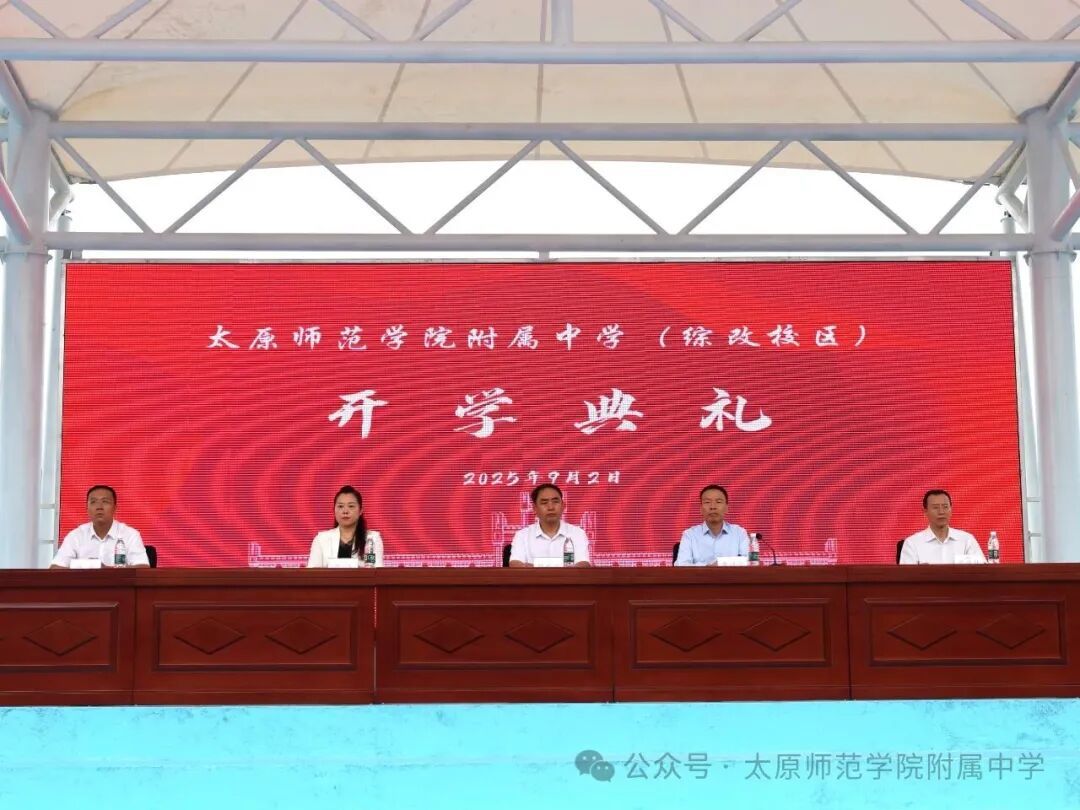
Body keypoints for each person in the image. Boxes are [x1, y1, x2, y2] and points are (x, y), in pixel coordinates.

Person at [50, 485, 150, 568]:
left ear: (115, 507)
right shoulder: (76, 536)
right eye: (93, 502)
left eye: (105, 501)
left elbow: (142, 568)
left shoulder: (130, 535)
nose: (99, 507)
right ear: (87, 508)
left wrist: (105, 571)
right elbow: (55, 568)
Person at [509, 484, 591, 567]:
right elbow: (515, 564)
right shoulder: (522, 535)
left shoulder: (577, 533)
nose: (551, 507)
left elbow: (583, 564)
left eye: (555, 502)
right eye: (544, 503)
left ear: (563, 506)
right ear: (534, 508)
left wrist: (535, 567)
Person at [899, 489, 985, 564]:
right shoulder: (912, 543)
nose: (941, 512)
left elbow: (982, 571)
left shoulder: (966, 540)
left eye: (945, 507)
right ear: (925, 511)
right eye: (935, 507)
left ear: (951, 509)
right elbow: (906, 575)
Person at [307, 485, 384, 567]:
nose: (345, 511)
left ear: (361, 510)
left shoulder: (372, 539)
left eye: (351, 506)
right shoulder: (321, 539)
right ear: (334, 510)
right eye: (340, 506)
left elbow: (375, 571)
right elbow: (312, 572)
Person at [675, 484, 751, 566]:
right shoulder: (690, 535)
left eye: (718, 502)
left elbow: (749, 561)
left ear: (726, 508)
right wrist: (708, 568)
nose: (713, 507)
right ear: (701, 509)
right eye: (707, 502)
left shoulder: (739, 533)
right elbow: (681, 565)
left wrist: (720, 563)